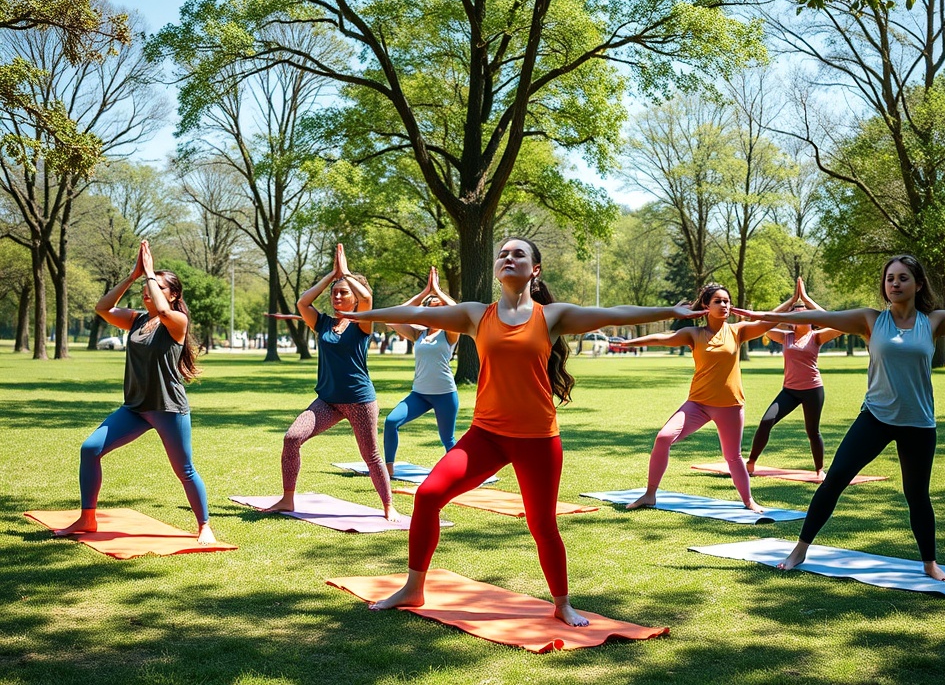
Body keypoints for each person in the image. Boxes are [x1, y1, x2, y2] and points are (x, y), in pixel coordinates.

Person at [336, 237, 701, 626]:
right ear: (497, 269)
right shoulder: (476, 315)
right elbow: (421, 316)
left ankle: (562, 604)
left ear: (535, 269)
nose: (508, 258)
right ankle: (413, 587)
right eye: (503, 254)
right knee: (427, 496)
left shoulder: (552, 316)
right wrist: (363, 315)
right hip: (486, 436)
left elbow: (611, 313)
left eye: (518, 254)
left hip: (539, 440)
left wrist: (669, 310)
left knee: (541, 523)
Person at [734, 254, 945, 581]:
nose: (895, 284)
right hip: (875, 417)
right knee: (835, 480)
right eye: (890, 279)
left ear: (918, 284)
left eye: (902, 278)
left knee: (917, 496)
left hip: (918, 424)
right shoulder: (871, 320)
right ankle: (799, 549)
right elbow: (820, 314)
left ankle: (930, 563)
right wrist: (759, 314)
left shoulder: (934, 322)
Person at [55, 241, 215, 544]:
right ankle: (87, 519)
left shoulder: (175, 322)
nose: (147, 292)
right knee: (90, 449)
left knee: (184, 470)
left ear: (174, 294)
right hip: (136, 408)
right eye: (144, 288)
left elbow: (165, 309)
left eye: (154, 287)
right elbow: (102, 308)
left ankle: (204, 524)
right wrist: (133, 275)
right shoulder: (137, 320)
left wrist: (151, 273)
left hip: (168, 408)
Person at [618, 283, 792, 513]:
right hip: (698, 404)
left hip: (729, 405)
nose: (724, 305)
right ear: (705, 306)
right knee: (663, 438)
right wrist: (629, 343)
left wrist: (792, 301)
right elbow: (663, 338)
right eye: (718, 301)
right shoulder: (694, 334)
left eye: (727, 301)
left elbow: (768, 321)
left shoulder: (737, 331)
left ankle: (749, 501)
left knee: (733, 456)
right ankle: (650, 494)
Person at [263, 243, 397, 521]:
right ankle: (288, 499)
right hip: (328, 400)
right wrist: (332, 276)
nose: (337, 296)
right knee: (292, 438)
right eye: (335, 293)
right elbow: (302, 303)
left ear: (354, 299)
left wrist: (346, 273)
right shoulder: (323, 323)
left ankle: (388, 507)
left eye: (343, 292)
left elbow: (369, 299)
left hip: (360, 400)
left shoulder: (363, 322)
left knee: (370, 455)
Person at [747, 278, 843, 481]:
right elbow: (760, 324)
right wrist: (790, 301)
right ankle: (751, 463)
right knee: (766, 422)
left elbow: (838, 323)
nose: (798, 320)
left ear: (811, 319)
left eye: (804, 316)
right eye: (794, 317)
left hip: (812, 390)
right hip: (789, 391)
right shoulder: (785, 336)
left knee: (812, 431)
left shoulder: (816, 337)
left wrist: (807, 299)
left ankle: (819, 470)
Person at [382, 267, 461, 477]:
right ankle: (388, 471)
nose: (435, 310)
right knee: (391, 422)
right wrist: (424, 293)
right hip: (420, 394)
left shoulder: (450, 332)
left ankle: (460, 476)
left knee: (448, 439)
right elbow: (392, 318)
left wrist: (438, 291)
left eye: (440, 307)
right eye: (431, 307)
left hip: (444, 394)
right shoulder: (418, 333)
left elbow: (458, 311)